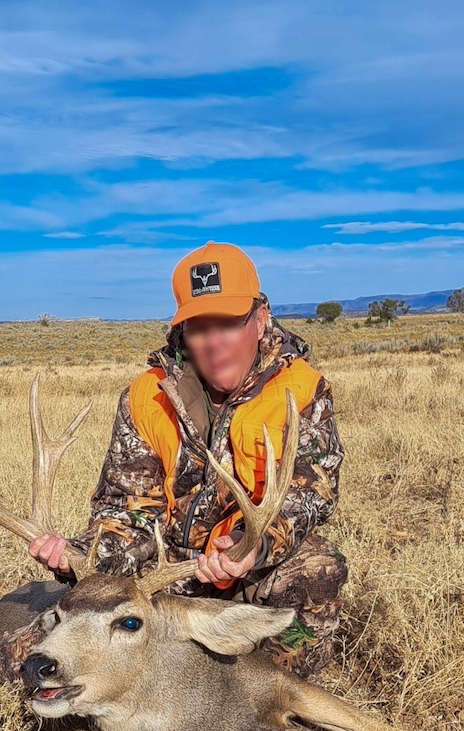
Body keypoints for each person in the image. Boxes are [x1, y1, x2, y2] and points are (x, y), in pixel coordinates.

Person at [21, 242, 347, 678]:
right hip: (163, 575)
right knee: (12, 664)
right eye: (198, 329)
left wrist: (255, 545)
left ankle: (283, 691)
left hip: (248, 567)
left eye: (228, 324)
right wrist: (81, 554)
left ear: (260, 319)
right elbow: (129, 510)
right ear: (182, 332)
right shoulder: (147, 396)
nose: (214, 343)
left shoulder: (302, 390)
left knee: (317, 567)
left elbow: (310, 493)